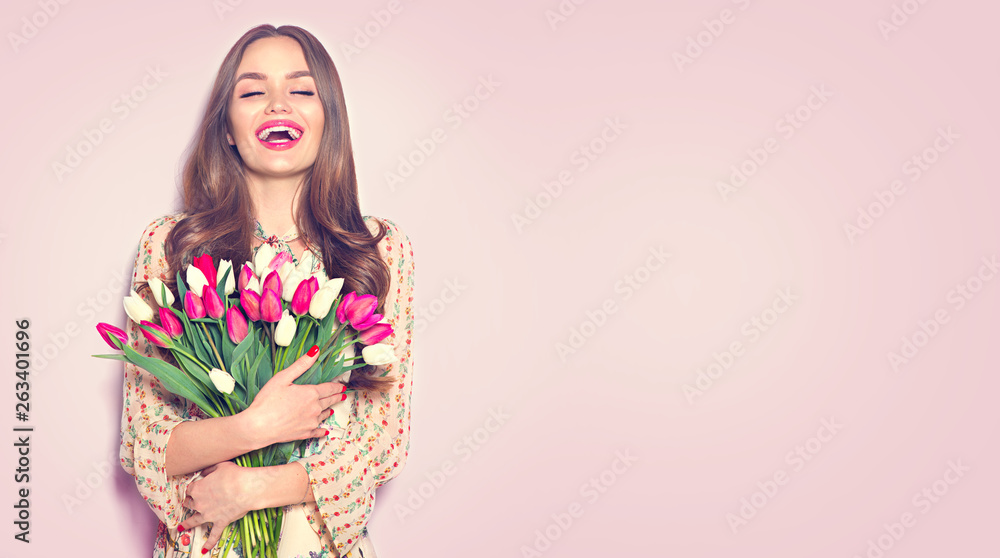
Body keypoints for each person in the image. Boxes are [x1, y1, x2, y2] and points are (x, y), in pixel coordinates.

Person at [118, 24, 415, 558]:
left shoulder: (377, 250)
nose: (278, 104)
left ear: (329, 119)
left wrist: (253, 488)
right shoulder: (173, 245)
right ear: (227, 129)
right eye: (252, 92)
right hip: (206, 544)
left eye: (301, 90)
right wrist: (255, 426)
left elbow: (381, 444)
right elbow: (146, 441)